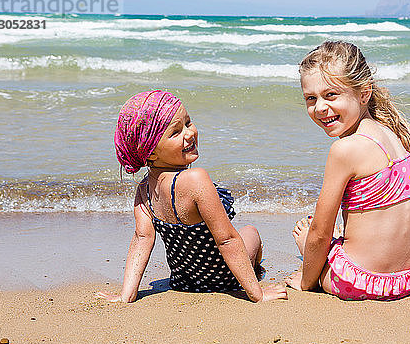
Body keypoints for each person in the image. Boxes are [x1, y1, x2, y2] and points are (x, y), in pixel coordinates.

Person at [96, 90, 287, 303]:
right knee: (250, 232)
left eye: (188, 122)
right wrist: (258, 295)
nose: (189, 133)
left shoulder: (144, 189)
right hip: (225, 279)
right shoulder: (196, 179)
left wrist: (127, 295)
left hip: (183, 282)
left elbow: (142, 239)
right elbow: (226, 240)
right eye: (175, 132)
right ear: (150, 152)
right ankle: (254, 276)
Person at [285, 41, 410, 300]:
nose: (320, 107)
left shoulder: (345, 149)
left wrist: (307, 280)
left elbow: (321, 232)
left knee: (309, 233)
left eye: (331, 95)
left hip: (360, 282)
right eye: (311, 98)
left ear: (364, 93)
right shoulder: (394, 136)